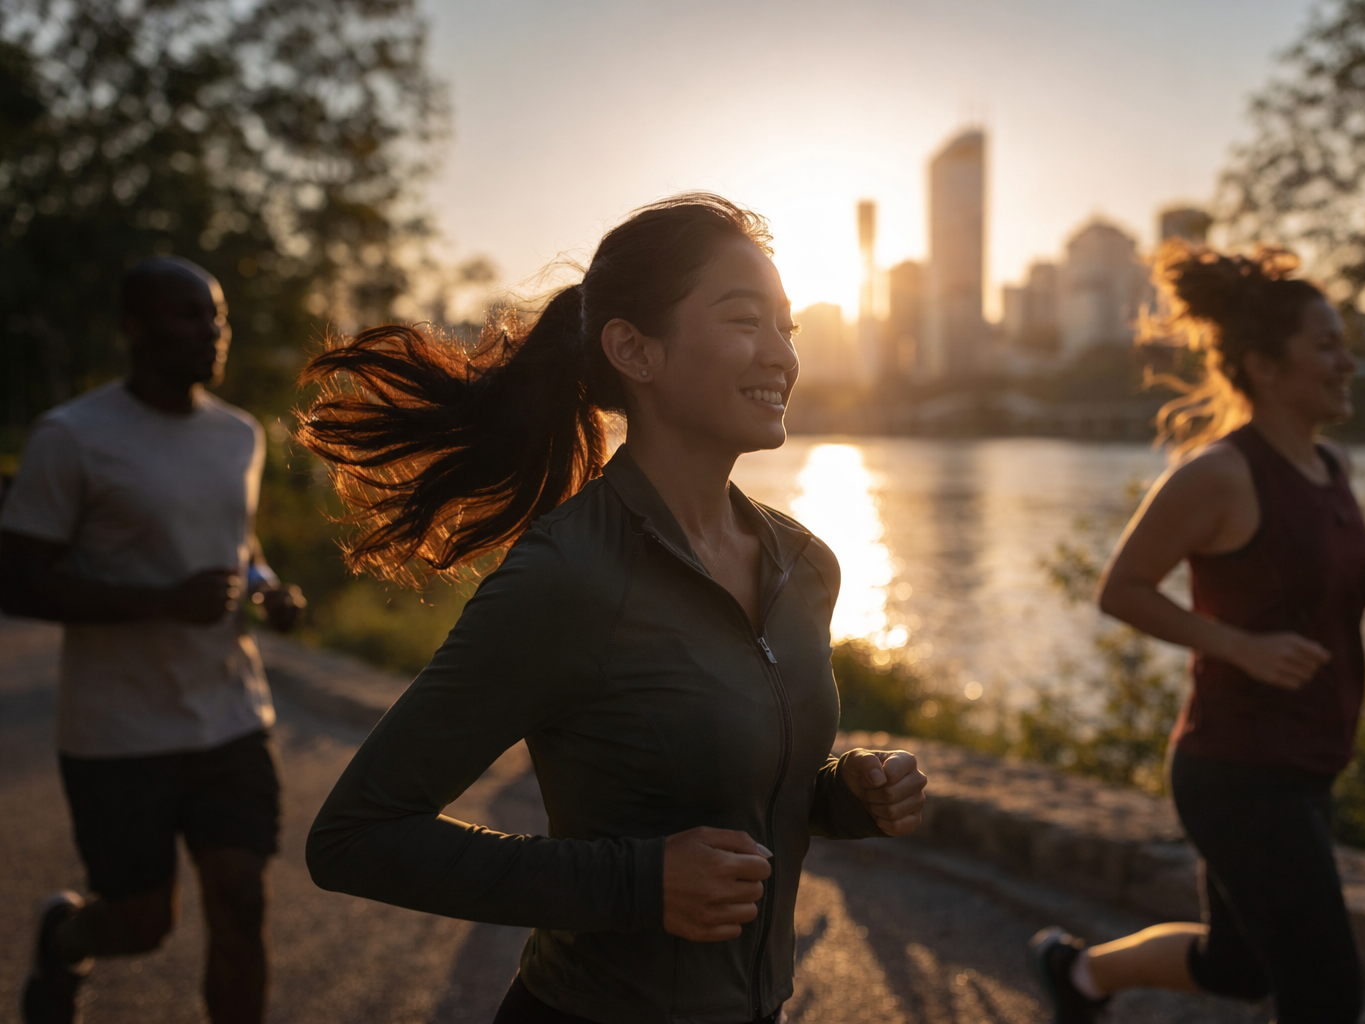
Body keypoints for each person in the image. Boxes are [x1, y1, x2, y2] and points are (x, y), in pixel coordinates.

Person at [298, 194, 928, 1024]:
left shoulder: (806, 565)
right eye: (746, 322)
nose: (781, 356)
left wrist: (843, 796)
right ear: (635, 349)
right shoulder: (570, 572)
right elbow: (355, 837)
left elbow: (715, 788)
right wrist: (636, 884)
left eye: (789, 328)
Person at [1029, 242, 1365, 1024]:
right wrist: (1239, 648)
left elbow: (1311, 592)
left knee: (1240, 964)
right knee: (1325, 995)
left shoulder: (1332, 466)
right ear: (1267, 365)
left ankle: (1074, 974)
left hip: (1309, 760)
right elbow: (1121, 590)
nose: (1349, 361)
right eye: (1328, 345)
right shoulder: (1220, 473)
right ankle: (1073, 973)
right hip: (1239, 769)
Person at [0, 257, 304, 1024]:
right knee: (141, 923)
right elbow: (17, 579)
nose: (211, 332)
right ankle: (65, 938)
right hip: (117, 730)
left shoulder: (238, 436)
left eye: (218, 317)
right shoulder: (71, 436)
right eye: (188, 315)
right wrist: (159, 601)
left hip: (230, 716)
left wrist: (267, 588)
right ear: (133, 328)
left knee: (240, 902)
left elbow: (238, 543)